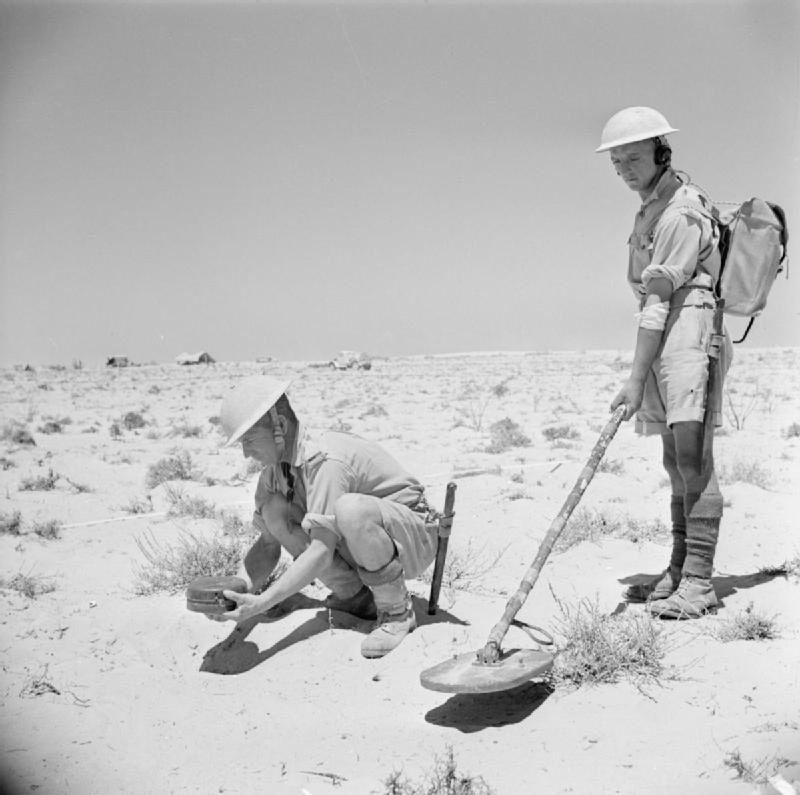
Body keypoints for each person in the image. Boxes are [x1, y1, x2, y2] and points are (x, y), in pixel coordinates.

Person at [596, 106, 733, 619]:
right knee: (674, 460)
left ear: (659, 150)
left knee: (694, 459)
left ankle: (699, 582)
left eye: (633, 157)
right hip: (670, 331)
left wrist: (634, 381)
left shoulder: (679, 210)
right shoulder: (650, 206)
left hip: (691, 331)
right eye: (616, 163)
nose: (625, 169)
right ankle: (679, 569)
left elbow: (657, 300)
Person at [209, 374, 439, 657]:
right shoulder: (274, 472)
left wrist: (263, 602)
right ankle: (357, 598)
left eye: (250, 440)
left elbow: (320, 552)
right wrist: (236, 592)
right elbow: (268, 543)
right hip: (365, 543)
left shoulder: (325, 459)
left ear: (279, 426)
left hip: (414, 536)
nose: (246, 454)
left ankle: (396, 613)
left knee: (350, 510)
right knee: (274, 510)